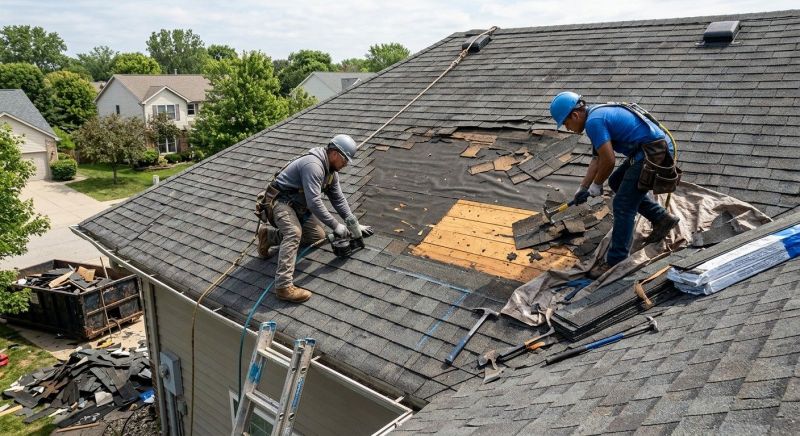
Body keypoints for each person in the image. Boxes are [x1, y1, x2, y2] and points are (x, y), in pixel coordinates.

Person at [549, 91, 680, 278]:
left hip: (654, 152)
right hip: (647, 149)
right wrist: (584, 187)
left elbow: (609, 160)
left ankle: (616, 261)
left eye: (566, 123)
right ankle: (662, 219)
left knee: (622, 205)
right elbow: (597, 159)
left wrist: (596, 184)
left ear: (575, 115)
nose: (568, 129)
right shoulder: (595, 116)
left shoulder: (594, 122)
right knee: (617, 181)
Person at [256, 134, 372, 303]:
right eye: (345, 160)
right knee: (294, 233)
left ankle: (268, 236)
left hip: (298, 208)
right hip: (279, 204)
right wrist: (336, 226)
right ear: (334, 154)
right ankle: (283, 287)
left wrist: (353, 223)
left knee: (316, 238)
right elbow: (314, 202)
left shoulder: (331, 172)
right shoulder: (314, 166)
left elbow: (338, 199)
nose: (346, 164)